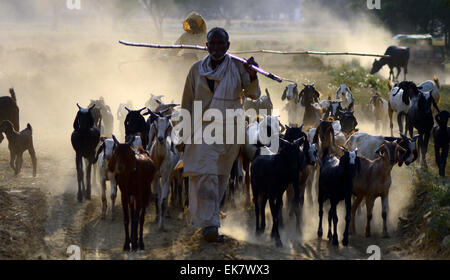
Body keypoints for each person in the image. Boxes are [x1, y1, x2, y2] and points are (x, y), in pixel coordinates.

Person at [179, 27, 261, 242]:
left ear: (227, 46)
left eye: (220, 44)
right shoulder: (196, 70)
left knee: (220, 177)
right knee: (205, 173)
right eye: (212, 44)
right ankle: (211, 226)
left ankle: (211, 218)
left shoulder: (237, 67)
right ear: (206, 46)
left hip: (231, 131)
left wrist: (252, 74)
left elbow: (253, 94)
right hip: (203, 130)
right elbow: (187, 103)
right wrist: (183, 134)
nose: (215, 48)